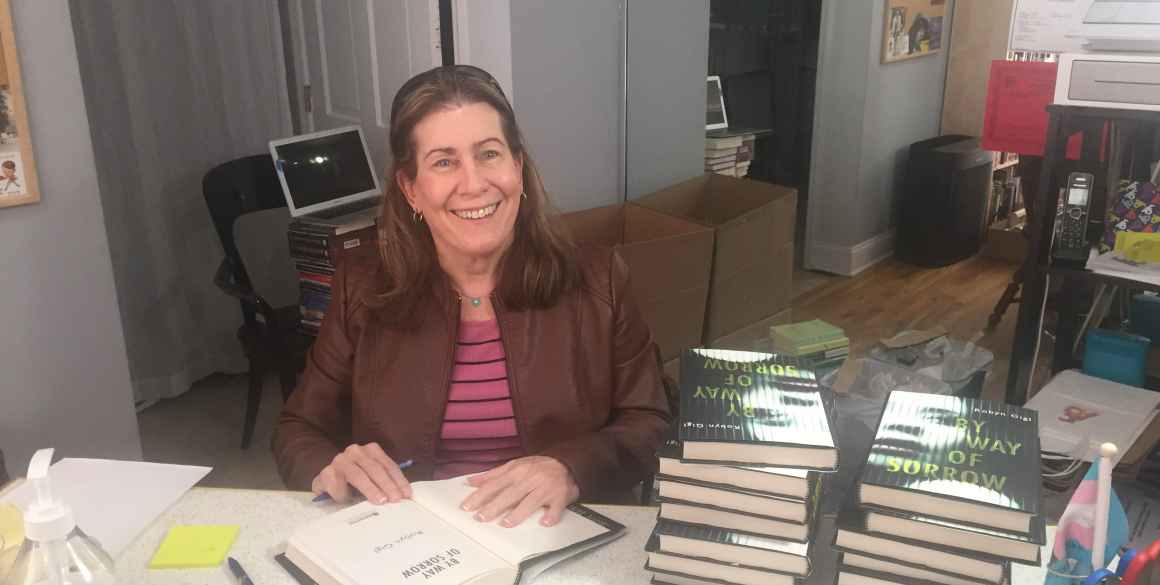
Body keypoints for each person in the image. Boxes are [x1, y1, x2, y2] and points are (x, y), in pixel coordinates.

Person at [273, 65, 671, 528]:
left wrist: (572, 467)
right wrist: (329, 466)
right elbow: (297, 429)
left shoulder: (598, 277)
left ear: (517, 169)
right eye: (444, 162)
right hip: (409, 536)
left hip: (553, 531)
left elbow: (650, 421)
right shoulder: (361, 287)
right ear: (411, 189)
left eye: (489, 154)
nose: (474, 183)